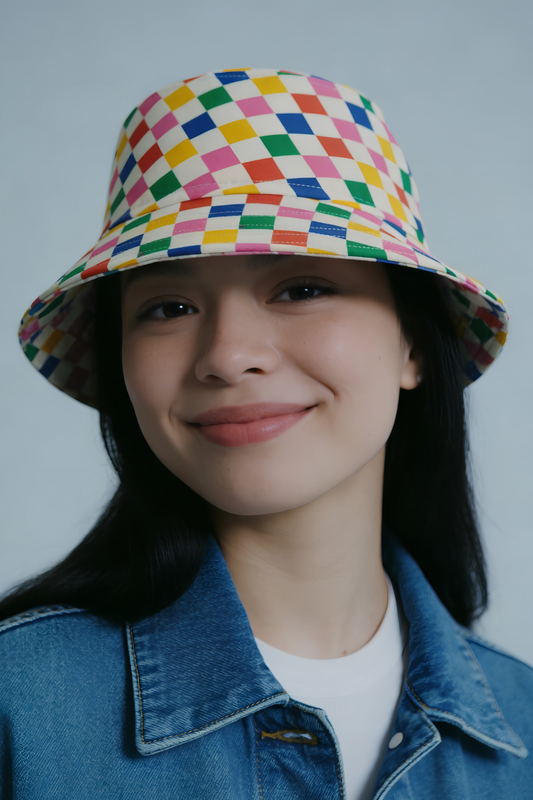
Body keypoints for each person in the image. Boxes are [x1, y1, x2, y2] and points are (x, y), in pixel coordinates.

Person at [1, 68, 531, 800]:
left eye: (301, 289)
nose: (225, 355)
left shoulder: (524, 733)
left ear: (412, 343)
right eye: (167, 307)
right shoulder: (19, 707)